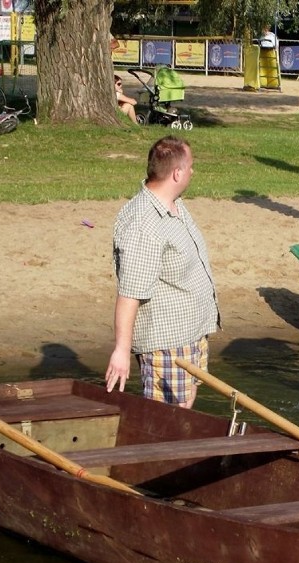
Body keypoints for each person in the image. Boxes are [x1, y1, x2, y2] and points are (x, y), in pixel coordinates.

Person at [105, 136, 220, 408]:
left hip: (191, 332)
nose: (193, 171)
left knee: (186, 407)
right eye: (190, 166)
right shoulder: (144, 223)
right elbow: (130, 293)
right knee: (166, 418)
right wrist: (121, 351)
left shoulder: (174, 204)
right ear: (177, 173)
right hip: (166, 341)